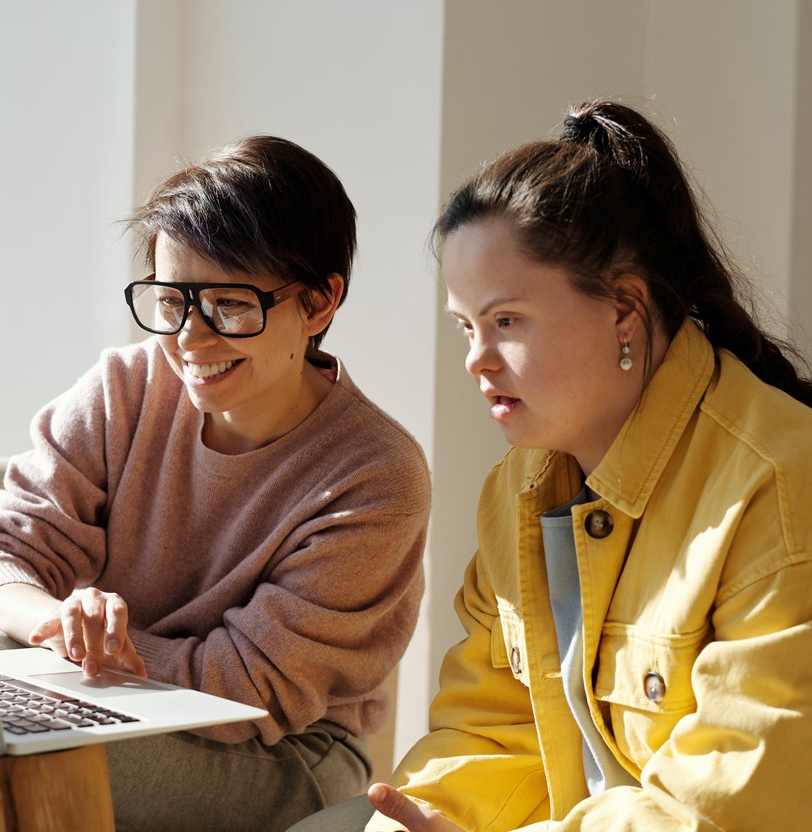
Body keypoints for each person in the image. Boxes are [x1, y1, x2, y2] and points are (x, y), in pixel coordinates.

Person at [290, 99, 812, 832]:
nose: (476, 358)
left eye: (506, 322)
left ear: (624, 310)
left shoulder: (780, 484)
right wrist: (420, 817)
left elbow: (732, 802)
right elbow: (492, 731)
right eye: (467, 327)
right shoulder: (519, 491)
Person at [0, 135, 431, 832]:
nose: (190, 339)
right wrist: (56, 626)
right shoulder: (124, 388)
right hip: (108, 695)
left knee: (18, 754)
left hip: (281, 752)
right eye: (171, 300)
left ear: (320, 302)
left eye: (230, 306)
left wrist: (116, 654)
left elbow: (250, 689)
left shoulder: (373, 475)